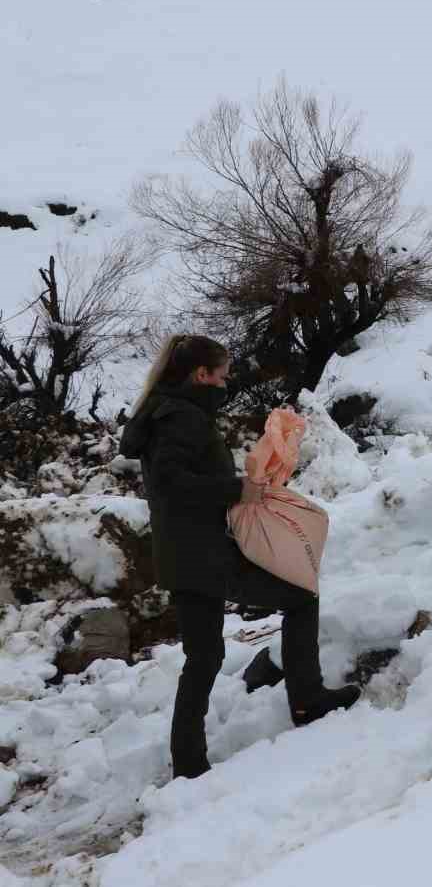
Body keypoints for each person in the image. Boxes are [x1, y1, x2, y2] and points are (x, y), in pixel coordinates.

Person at [119, 335, 359, 781]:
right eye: (223, 375)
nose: (226, 383)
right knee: (301, 597)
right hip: (204, 553)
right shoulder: (182, 417)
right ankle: (307, 701)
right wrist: (236, 489)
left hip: (182, 552)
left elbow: (179, 481)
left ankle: (189, 763)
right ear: (201, 375)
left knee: (204, 656)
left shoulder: (162, 412)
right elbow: (173, 483)